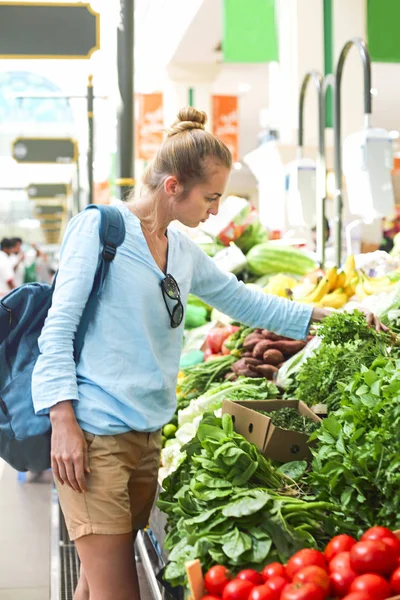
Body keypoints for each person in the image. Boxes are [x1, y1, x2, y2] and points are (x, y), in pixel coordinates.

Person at [31, 107, 386, 600]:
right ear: (173, 186)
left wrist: (338, 318)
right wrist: (62, 420)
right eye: (212, 197)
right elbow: (58, 326)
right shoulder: (100, 230)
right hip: (94, 441)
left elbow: (243, 299)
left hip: (146, 438)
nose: (216, 211)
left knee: (94, 582)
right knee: (119, 590)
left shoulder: (180, 248)